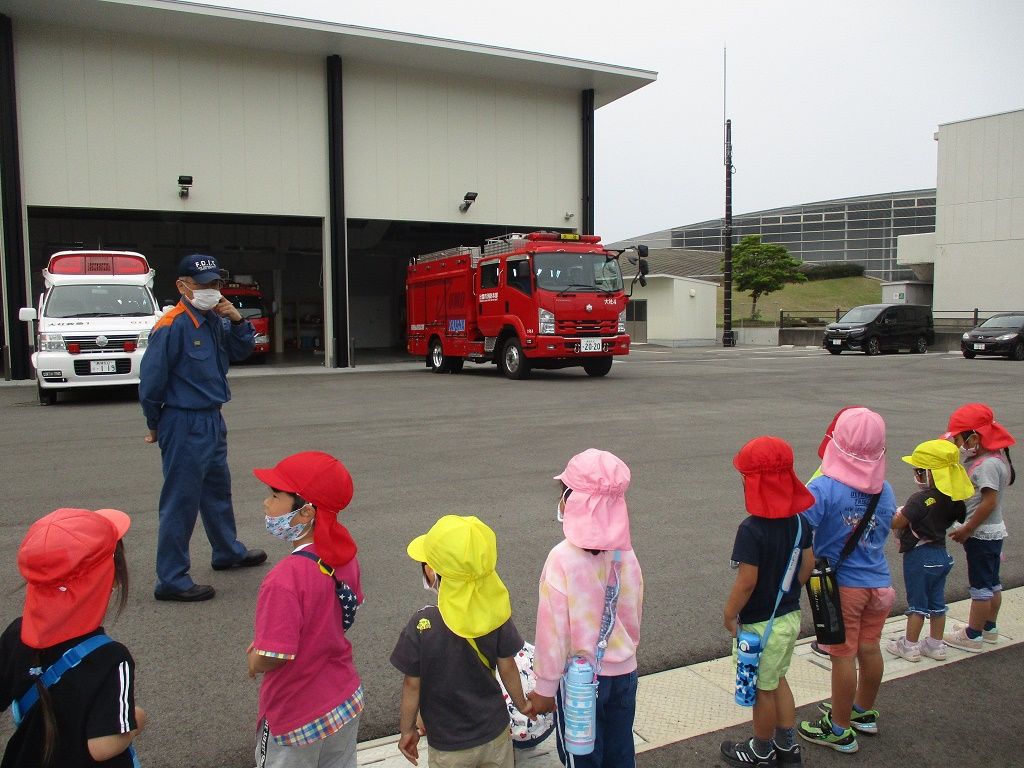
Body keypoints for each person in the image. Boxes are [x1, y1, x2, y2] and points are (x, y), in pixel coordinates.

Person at [140, 253, 266, 602]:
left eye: (215, 284)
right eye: (204, 284)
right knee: (181, 500)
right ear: (182, 286)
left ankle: (227, 551)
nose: (212, 290)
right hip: (182, 420)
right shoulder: (172, 325)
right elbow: (151, 383)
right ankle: (171, 578)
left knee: (217, 490)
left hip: (211, 417)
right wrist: (155, 425)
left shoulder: (215, 320)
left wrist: (239, 319)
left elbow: (242, 351)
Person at [1, 508, 147, 767]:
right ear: (111, 580)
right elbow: (102, 746)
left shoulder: (16, 633)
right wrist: (137, 718)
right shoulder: (111, 657)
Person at [528, 449, 644, 768]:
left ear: (573, 502)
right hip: (625, 673)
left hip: (580, 683)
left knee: (583, 757)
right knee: (621, 751)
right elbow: (633, 613)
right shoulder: (625, 554)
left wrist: (544, 687)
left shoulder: (562, 559)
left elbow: (552, 632)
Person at [248, 451, 364, 768]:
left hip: (295, 715)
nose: (266, 504)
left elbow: (274, 655)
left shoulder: (284, 579)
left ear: (306, 513)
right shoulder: (345, 556)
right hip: (343, 698)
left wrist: (255, 658)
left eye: (275, 496)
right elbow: (339, 614)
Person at [390, 514, 532, 767]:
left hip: (447, 743)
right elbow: (507, 666)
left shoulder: (423, 624)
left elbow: (412, 685)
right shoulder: (495, 615)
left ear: (432, 572)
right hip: (494, 733)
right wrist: (522, 704)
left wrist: (407, 730)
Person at [797, 407, 896, 754]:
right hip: (880, 583)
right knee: (869, 648)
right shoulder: (885, 490)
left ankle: (838, 729)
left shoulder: (824, 488)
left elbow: (800, 529)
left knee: (842, 655)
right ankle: (862, 711)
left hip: (844, 587)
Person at [720, 436, 815, 768]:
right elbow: (807, 565)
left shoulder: (751, 529)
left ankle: (761, 750)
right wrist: (788, 592)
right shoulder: (801, 521)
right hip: (788, 617)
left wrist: (730, 614)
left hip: (761, 625)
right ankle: (788, 748)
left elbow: (747, 582)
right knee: (778, 681)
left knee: (762, 689)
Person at [887, 439, 973, 662]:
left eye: (919, 471)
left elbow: (897, 523)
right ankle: (935, 645)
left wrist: (891, 513)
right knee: (936, 603)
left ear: (930, 473)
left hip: (919, 555)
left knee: (917, 604)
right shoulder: (953, 498)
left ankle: (910, 645)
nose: (916, 475)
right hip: (941, 555)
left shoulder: (920, 498)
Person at [942, 403, 1016, 652]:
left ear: (974, 437)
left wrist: (968, 528)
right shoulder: (989, 459)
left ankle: (973, 635)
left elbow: (989, 501)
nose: (958, 444)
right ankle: (989, 628)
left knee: (981, 587)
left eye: (960, 438)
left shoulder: (987, 465)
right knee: (992, 583)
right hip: (990, 533)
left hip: (982, 534)